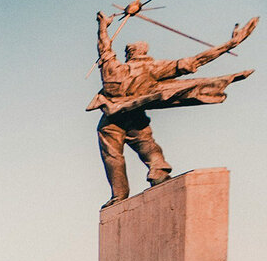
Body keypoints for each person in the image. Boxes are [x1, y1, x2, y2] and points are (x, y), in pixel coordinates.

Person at [88, 11, 257, 208]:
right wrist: (231, 44)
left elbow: (104, 48)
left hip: (111, 120)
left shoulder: (112, 68)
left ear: (128, 54)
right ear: (144, 53)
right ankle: (158, 173)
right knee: (147, 145)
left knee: (114, 156)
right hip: (133, 116)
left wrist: (103, 26)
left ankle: (119, 195)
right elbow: (196, 61)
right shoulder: (154, 68)